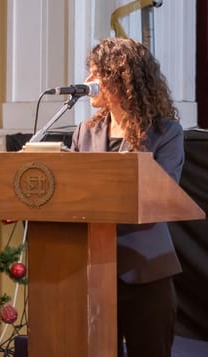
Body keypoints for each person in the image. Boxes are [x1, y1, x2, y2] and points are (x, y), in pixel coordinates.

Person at [70, 37, 183, 357]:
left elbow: (163, 194)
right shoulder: (84, 132)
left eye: (96, 74)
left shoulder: (166, 132)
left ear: (121, 78)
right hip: (91, 271)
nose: (88, 82)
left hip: (146, 271)